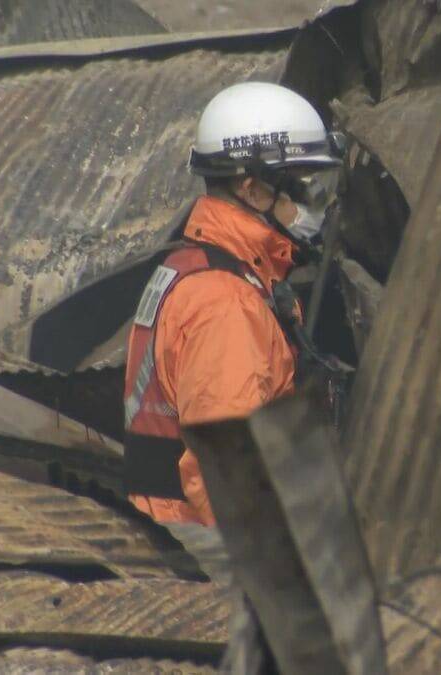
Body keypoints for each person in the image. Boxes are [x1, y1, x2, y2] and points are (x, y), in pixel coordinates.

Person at [123, 82, 345, 525]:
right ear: (254, 191)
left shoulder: (199, 265)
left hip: (180, 538)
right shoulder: (225, 304)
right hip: (206, 558)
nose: (317, 207)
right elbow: (227, 482)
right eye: (304, 190)